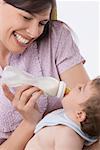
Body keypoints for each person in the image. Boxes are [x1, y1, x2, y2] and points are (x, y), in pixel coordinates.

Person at [0, 0, 98, 149]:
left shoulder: (55, 38)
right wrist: (29, 124)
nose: (34, 32)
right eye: (26, 17)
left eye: (42, 22)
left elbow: (95, 121)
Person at [25, 78, 100, 150]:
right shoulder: (65, 116)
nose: (77, 85)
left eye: (80, 89)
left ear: (79, 114)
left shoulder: (69, 137)